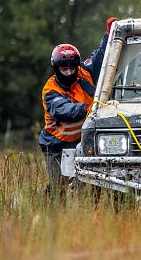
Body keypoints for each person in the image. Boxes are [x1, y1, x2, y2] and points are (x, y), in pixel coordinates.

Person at [39, 17, 117, 196]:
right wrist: (88, 109)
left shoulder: (84, 72)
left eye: (71, 68)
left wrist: (109, 33)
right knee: (59, 189)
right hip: (56, 145)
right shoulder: (50, 90)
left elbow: (101, 56)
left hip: (81, 141)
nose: (68, 72)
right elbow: (65, 110)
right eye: (64, 69)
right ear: (56, 68)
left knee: (88, 186)